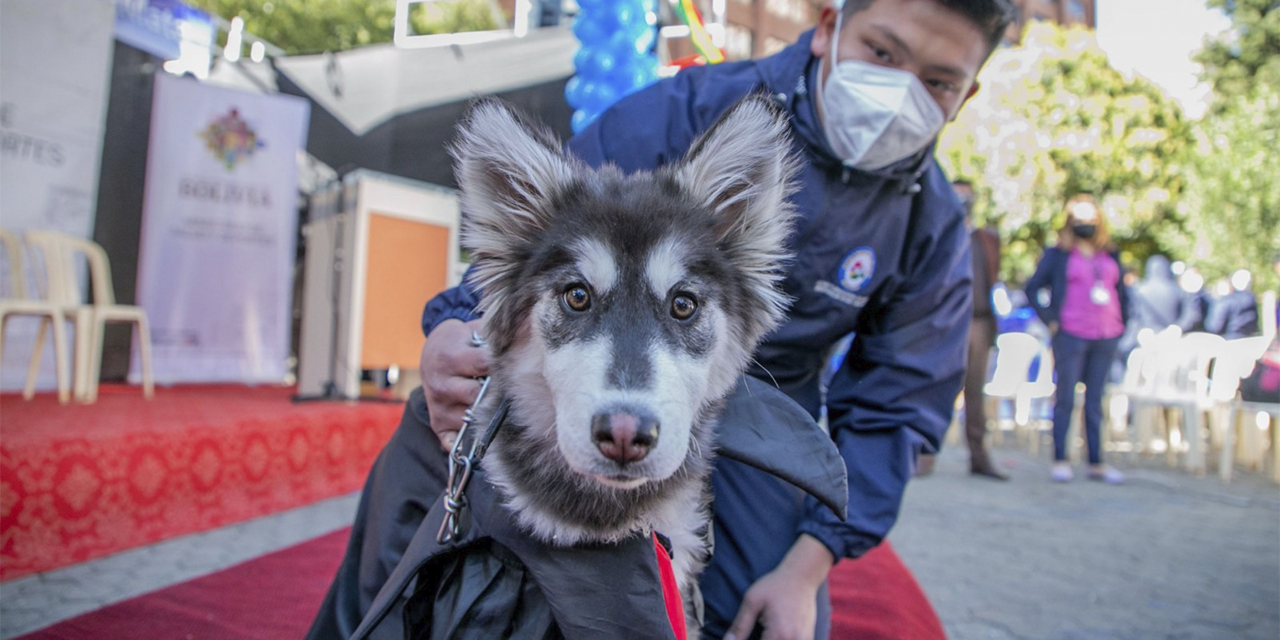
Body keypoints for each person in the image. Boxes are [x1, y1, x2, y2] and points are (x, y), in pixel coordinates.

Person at [309, 0, 1020, 638]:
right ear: (829, 27)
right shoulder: (686, 112)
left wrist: (806, 572)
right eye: (883, 53)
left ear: (968, 94)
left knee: (765, 621)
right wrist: (452, 330)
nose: (899, 91)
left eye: (937, 80)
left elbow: (893, 413)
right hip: (594, 351)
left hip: (762, 406)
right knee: (429, 456)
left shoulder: (932, 224)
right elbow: (530, 250)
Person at [1024, 195, 1130, 484]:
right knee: (1066, 398)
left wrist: (1123, 323)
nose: (1086, 226)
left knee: (1095, 401)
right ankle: (1061, 458)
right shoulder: (1059, 255)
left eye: (1090, 220)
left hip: (1106, 334)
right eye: (1079, 220)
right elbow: (1032, 288)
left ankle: (1096, 462)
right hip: (1070, 333)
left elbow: (1121, 292)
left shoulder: (1110, 254)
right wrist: (1051, 321)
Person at [953, 178, 1008, 480]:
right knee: (939, 387)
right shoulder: (942, 234)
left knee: (976, 392)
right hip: (947, 322)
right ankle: (924, 454)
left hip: (980, 321)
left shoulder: (986, 239)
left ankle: (979, 455)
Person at [1204, 269, 1260, 340]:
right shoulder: (1252, 300)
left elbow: (1214, 326)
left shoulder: (1227, 301)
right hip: (1249, 340)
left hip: (1228, 341)